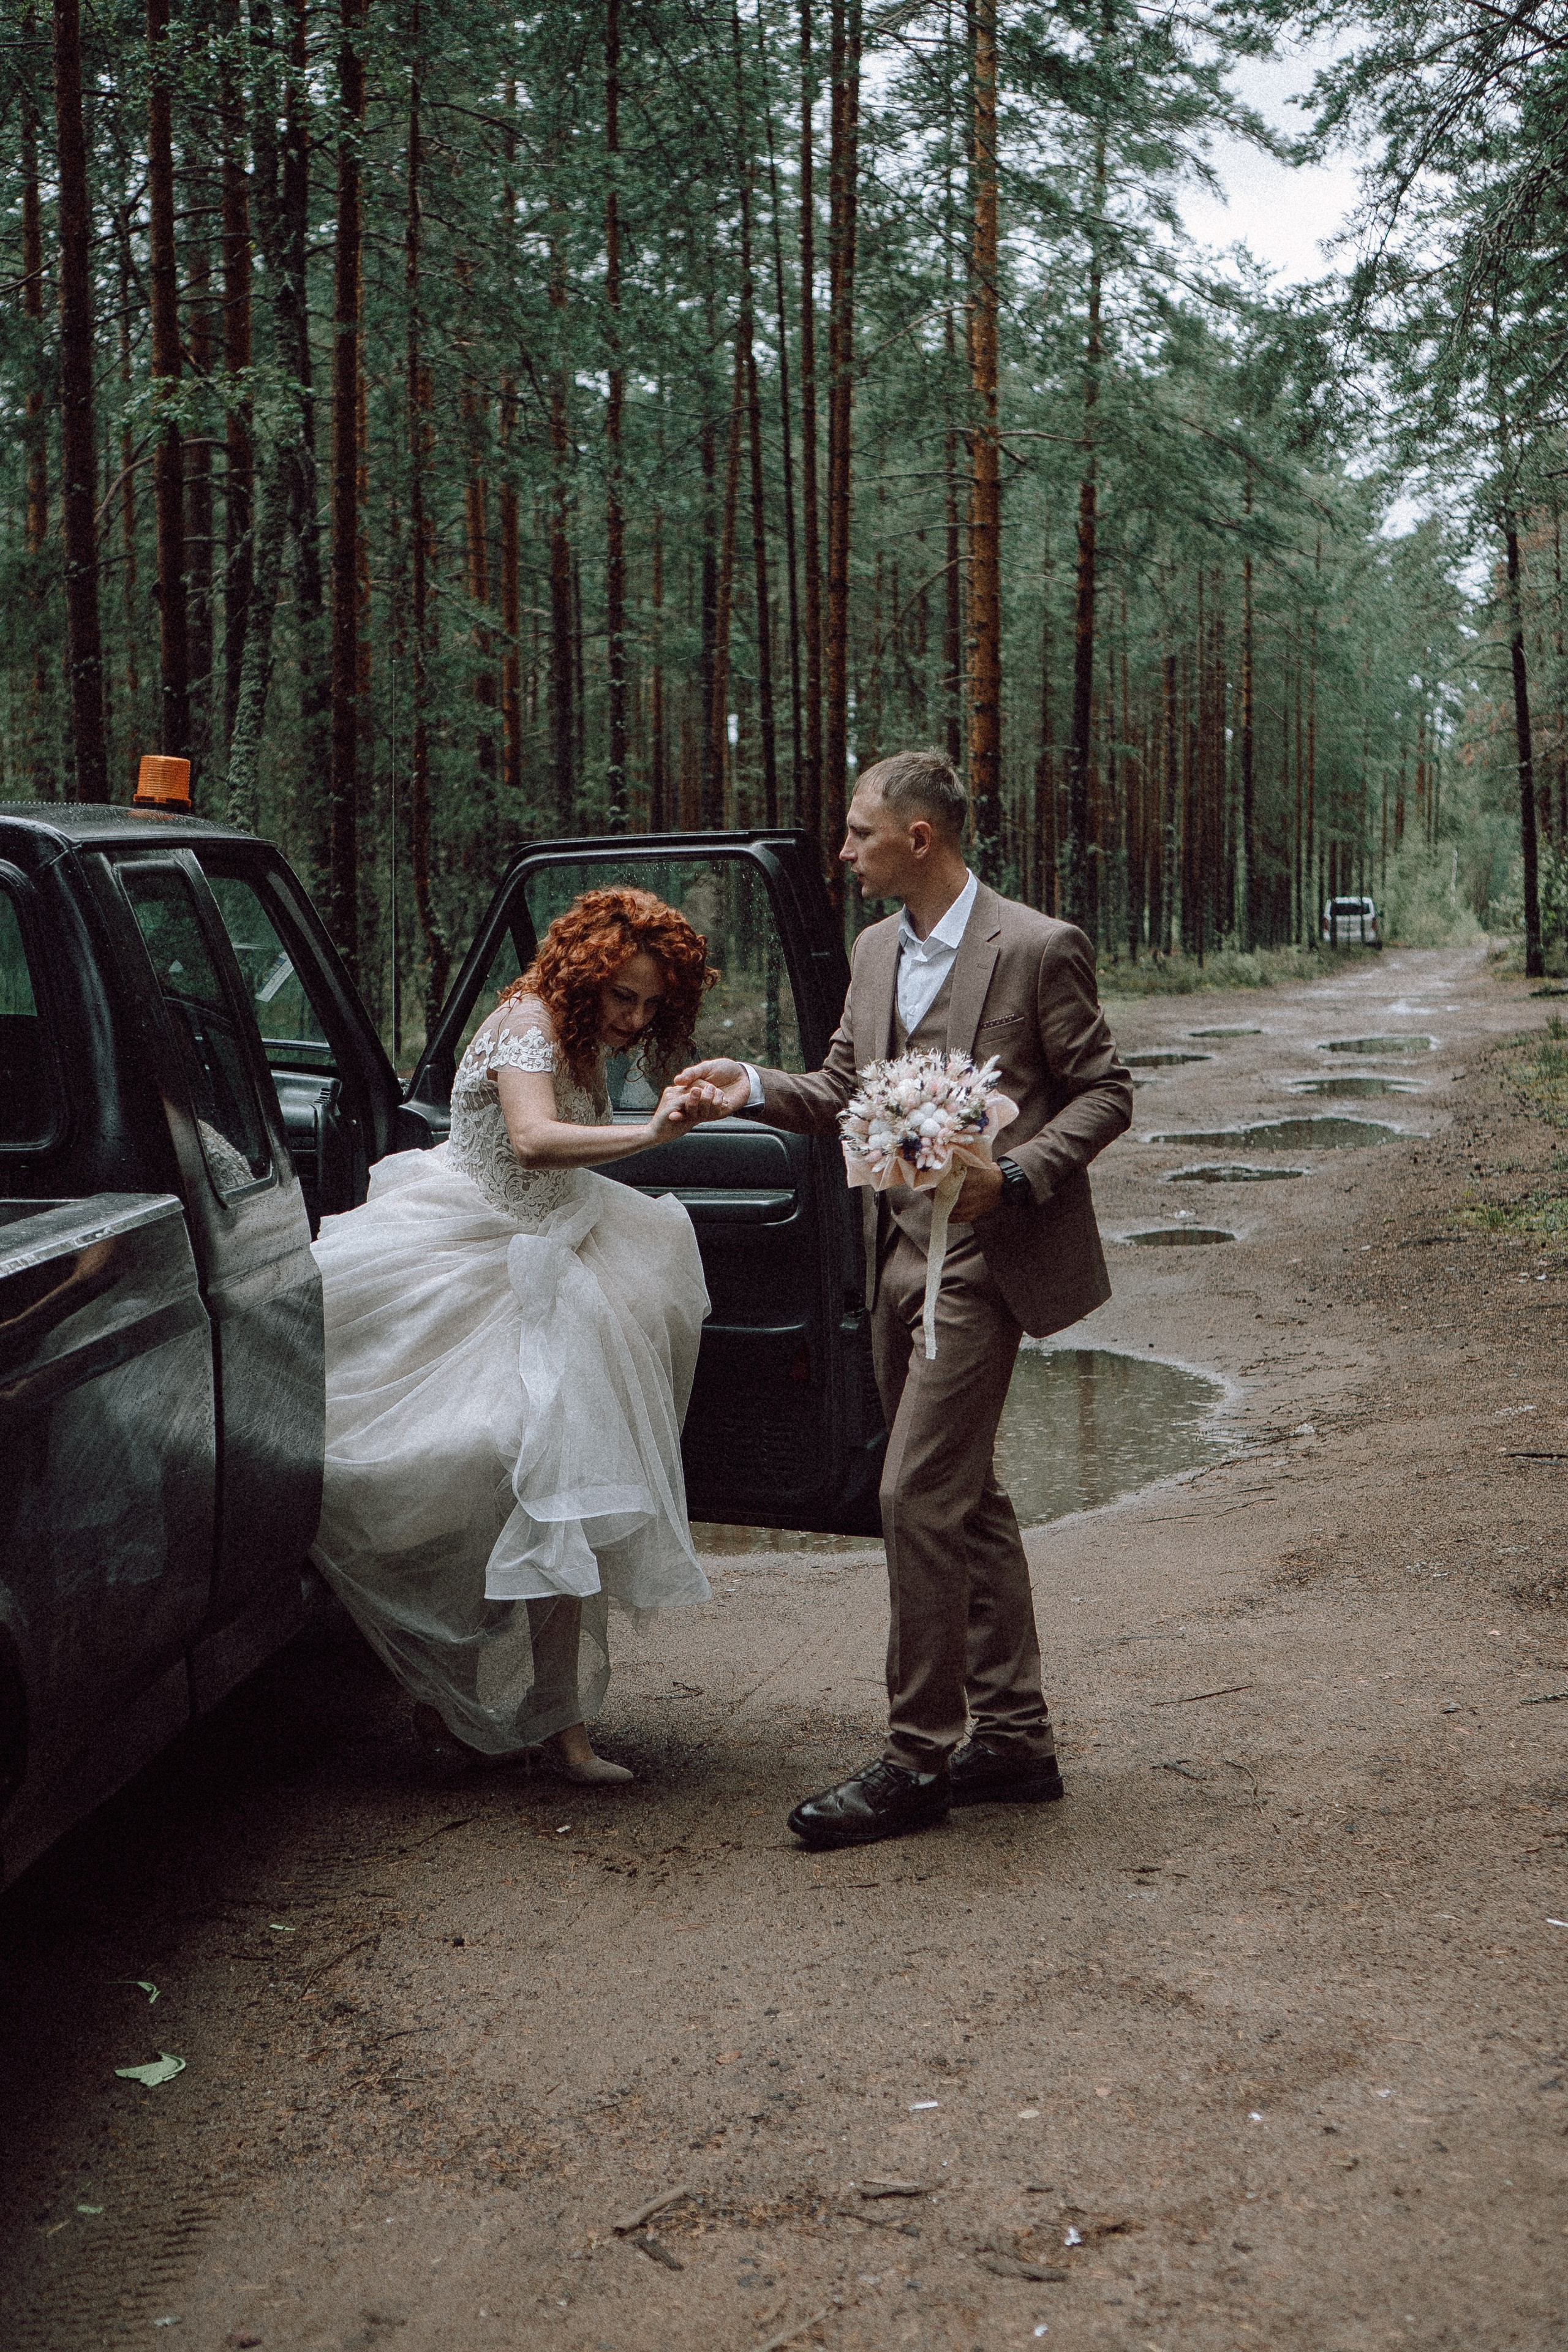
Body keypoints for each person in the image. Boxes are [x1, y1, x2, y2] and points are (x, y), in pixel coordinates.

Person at [677, 749, 1133, 1847]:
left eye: (859, 833)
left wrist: (1016, 1175)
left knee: (913, 1494)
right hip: (894, 1254)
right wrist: (749, 1085)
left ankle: (916, 1756)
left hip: (987, 1253)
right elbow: (844, 1089)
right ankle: (1014, 1740)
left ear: (918, 838)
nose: (844, 852)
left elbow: (1105, 1091)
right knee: (966, 1497)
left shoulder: (1037, 948)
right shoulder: (876, 950)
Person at [311, 887, 727, 1786]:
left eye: (652, 1004)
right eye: (623, 996)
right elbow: (534, 1140)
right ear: (585, 974)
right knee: (476, 1470)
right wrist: (650, 1133)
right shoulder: (527, 1024)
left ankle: (563, 1724)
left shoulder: (582, 1034)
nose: (635, 1018)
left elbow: (561, 1153)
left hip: (562, 1257)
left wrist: (671, 1107)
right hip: (467, 1259)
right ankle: (443, 1693)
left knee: (561, 1487)